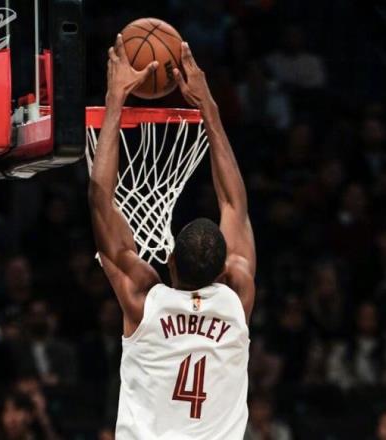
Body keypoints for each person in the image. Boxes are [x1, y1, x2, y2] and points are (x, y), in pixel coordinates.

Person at [89, 36, 255, 439]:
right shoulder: (236, 297)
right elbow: (234, 204)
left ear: (170, 259)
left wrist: (115, 99)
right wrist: (208, 105)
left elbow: (100, 200)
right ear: (224, 268)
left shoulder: (145, 301)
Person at [327, 302, 386, 390]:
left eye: (372, 317)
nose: (368, 322)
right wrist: (350, 384)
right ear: (356, 319)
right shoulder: (343, 346)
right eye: (364, 317)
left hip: (385, 393)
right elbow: (333, 373)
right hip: (354, 394)